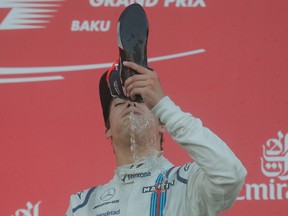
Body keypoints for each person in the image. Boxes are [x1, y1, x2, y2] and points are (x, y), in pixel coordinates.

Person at [66, 61, 247, 216]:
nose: (130, 103)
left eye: (141, 100)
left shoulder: (188, 184)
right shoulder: (83, 206)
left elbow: (231, 175)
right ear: (108, 130)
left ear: (163, 123)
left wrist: (163, 104)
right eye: (119, 103)